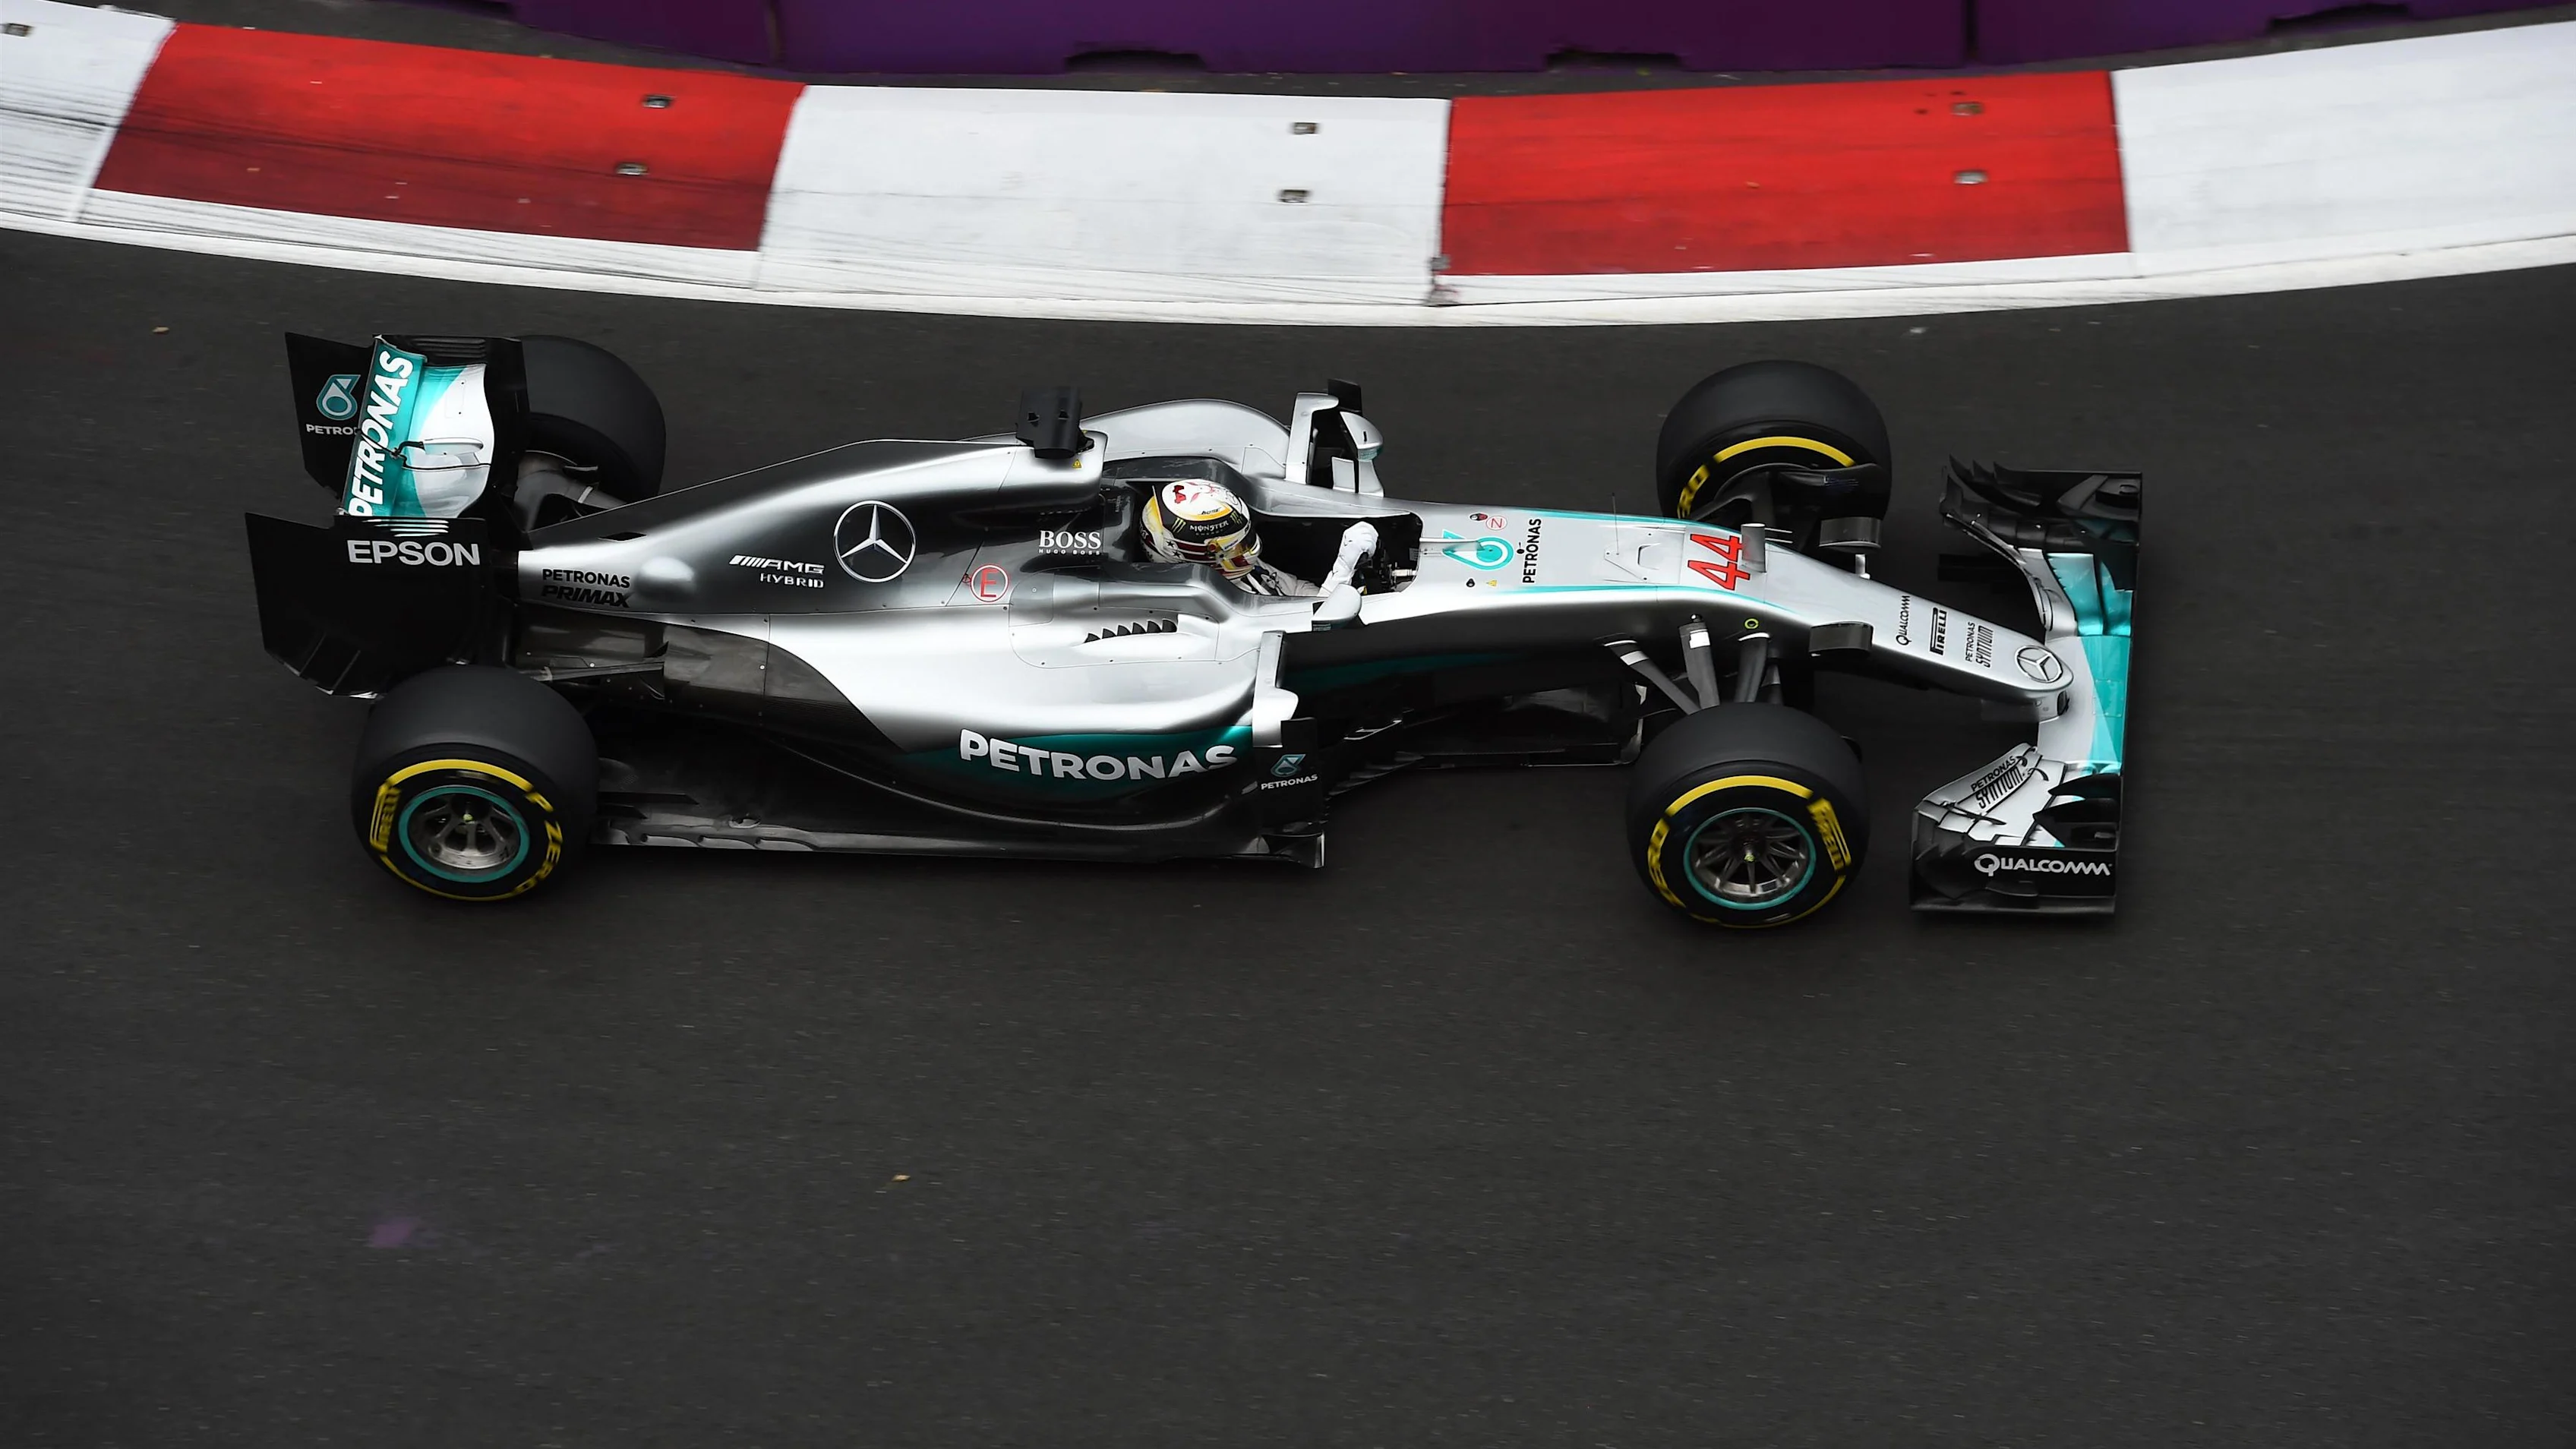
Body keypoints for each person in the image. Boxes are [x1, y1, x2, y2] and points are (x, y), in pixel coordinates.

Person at [1139, 477, 1373, 598]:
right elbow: (1311, 633)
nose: (1248, 549)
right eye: (1236, 546)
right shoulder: (1206, 608)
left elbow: (1294, 589)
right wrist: (1342, 572)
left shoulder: (1234, 566)